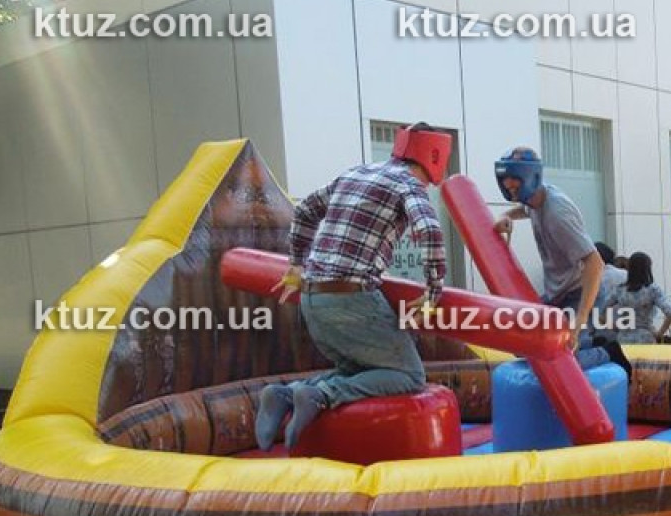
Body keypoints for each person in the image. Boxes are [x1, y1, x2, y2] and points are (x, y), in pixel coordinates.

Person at [254, 123, 450, 451]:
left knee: (359, 368)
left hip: (312, 299)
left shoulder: (356, 173)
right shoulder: (408, 184)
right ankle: (321, 394)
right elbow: (430, 230)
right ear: (434, 157)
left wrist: (297, 264)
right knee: (409, 376)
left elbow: (305, 210)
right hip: (351, 297)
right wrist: (432, 291)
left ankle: (286, 394)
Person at [492, 147, 631, 376]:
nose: (509, 186)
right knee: (521, 343)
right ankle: (591, 341)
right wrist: (505, 216)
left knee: (564, 359)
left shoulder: (558, 213)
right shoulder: (535, 199)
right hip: (558, 293)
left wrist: (580, 320)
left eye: (514, 182)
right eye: (506, 182)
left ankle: (609, 352)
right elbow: (523, 209)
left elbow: (595, 263)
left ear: (530, 177)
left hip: (579, 292)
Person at [605, 252, 671, 344]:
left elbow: (603, 309)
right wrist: (660, 333)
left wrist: (612, 325)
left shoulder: (620, 289)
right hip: (646, 337)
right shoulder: (652, 289)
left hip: (624, 338)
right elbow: (670, 313)